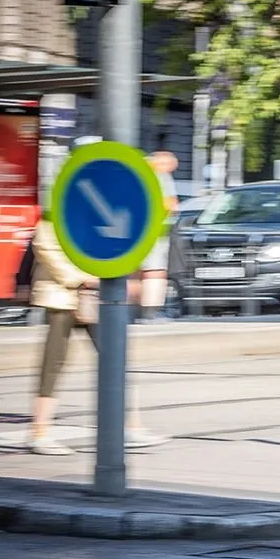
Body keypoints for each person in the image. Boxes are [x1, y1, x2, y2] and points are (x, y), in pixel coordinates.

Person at [28, 214, 167, 455]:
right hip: (62, 297)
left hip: (93, 298)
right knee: (53, 364)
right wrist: (81, 279)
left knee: (115, 358)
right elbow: (45, 246)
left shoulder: (84, 211)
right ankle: (39, 433)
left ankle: (130, 427)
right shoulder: (54, 214)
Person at [135, 148, 180, 322]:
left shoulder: (141, 174)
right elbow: (169, 205)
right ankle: (150, 312)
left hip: (139, 232)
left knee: (139, 272)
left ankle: (136, 311)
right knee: (154, 271)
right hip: (157, 232)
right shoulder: (160, 177)